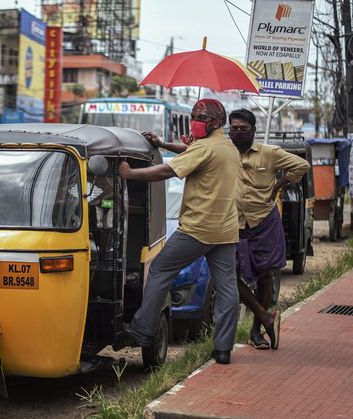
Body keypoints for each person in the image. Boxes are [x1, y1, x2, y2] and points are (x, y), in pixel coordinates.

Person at [120, 98, 241, 365]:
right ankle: (223, 349)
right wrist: (163, 144)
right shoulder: (226, 147)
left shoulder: (207, 148)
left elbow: (166, 170)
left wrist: (130, 174)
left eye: (201, 119)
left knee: (161, 269)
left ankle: (141, 329)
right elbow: (191, 152)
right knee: (227, 290)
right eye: (194, 117)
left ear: (216, 122)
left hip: (197, 229)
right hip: (226, 230)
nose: (195, 122)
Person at [228, 108, 310, 350]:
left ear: (253, 130)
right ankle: (265, 316)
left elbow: (301, 166)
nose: (238, 133)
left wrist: (278, 187)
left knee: (265, 278)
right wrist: (162, 143)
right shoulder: (224, 153)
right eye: (234, 128)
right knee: (228, 275)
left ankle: (256, 331)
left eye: (243, 129)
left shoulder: (270, 153)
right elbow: (192, 154)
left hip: (264, 222)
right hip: (234, 223)